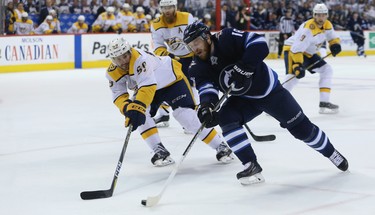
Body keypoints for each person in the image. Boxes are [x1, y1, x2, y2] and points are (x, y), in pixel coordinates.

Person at [183, 20, 348, 185]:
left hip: (270, 92)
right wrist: (206, 106)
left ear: (207, 37)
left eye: (196, 42)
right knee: (226, 118)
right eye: (190, 45)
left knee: (303, 130)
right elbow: (206, 88)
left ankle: (331, 152)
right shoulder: (196, 66)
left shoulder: (226, 37)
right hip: (244, 99)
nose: (194, 48)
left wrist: (244, 66)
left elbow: (259, 43)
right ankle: (251, 165)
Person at [105, 37, 233, 167]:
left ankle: (220, 145)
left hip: (171, 81)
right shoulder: (112, 73)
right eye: (118, 59)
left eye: (125, 56)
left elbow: (147, 86)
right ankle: (159, 150)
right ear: (112, 59)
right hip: (150, 88)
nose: (123, 61)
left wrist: (137, 107)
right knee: (138, 114)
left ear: (129, 52)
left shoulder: (139, 59)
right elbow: (118, 94)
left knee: (185, 116)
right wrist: (126, 108)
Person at [282, 3, 342, 114]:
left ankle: (324, 102)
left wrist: (335, 45)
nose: (321, 18)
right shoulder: (308, 29)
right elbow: (296, 48)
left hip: (308, 52)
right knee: (293, 77)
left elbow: (332, 37)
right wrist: (297, 66)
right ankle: (275, 103)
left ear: (327, 15)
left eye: (323, 15)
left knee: (327, 70)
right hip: (293, 50)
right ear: (314, 15)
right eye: (318, 15)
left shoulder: (327, 25)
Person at [150, 0, 196, 129]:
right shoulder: (156, 24)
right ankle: (164, 114)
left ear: (175, 7)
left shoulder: (187, 17)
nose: (167, 10)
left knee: (191, 87)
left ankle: (192, 118)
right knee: (163, 85)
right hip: (171, 59)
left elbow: (195, 36)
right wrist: (169, 56)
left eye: (169, 7)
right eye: (164, 8)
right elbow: (157, 45)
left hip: (190, 57)